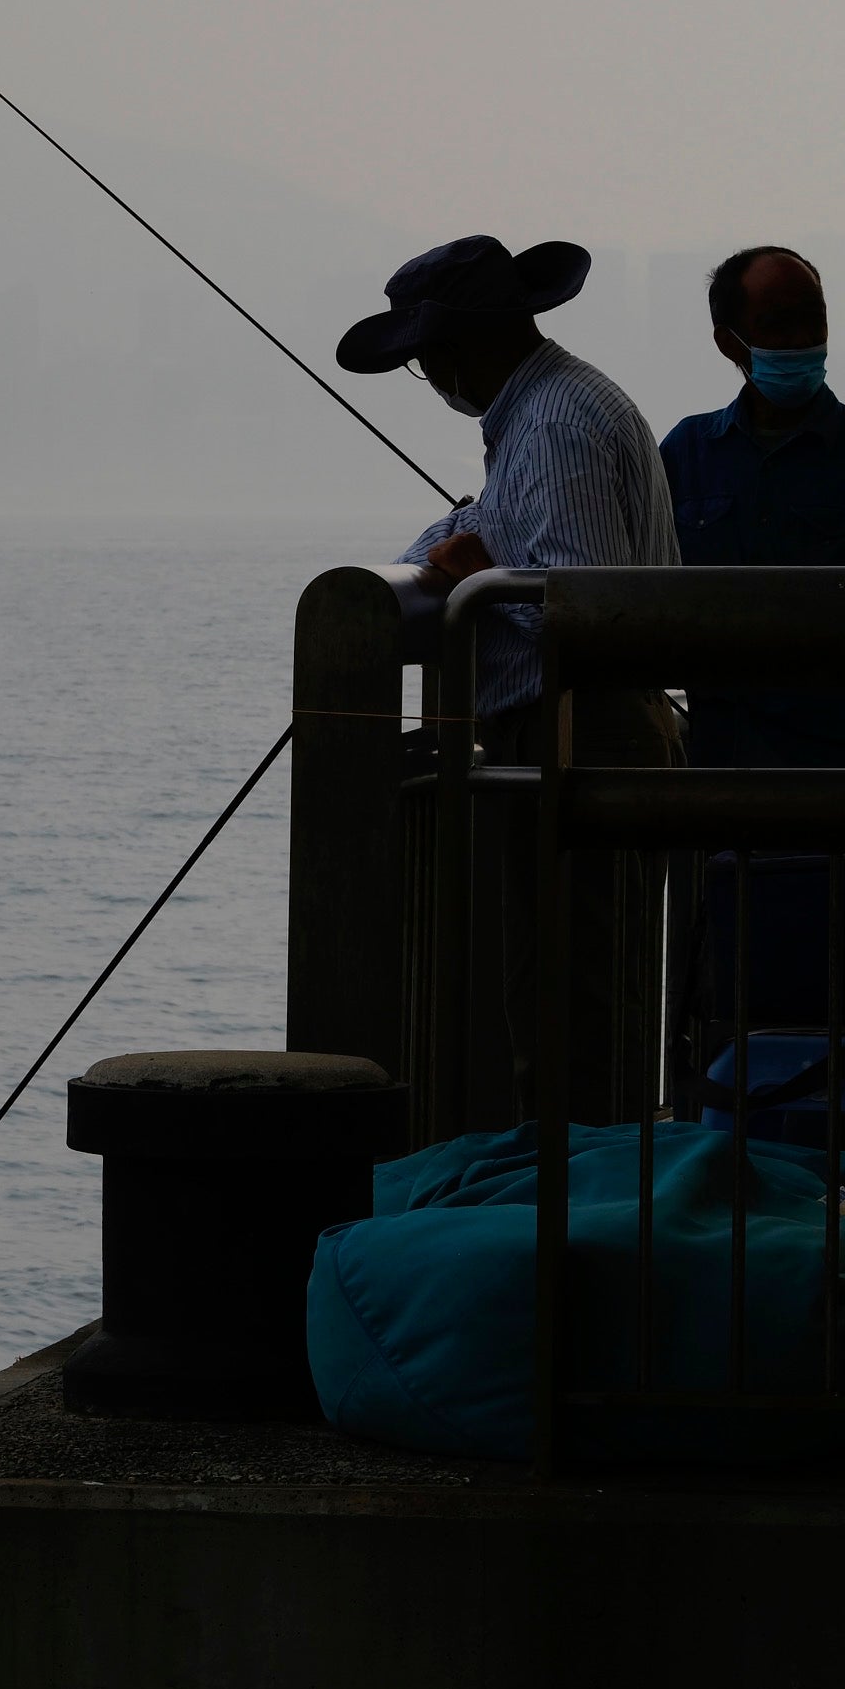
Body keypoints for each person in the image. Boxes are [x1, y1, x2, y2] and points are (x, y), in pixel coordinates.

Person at [336, 232, 679, 1115]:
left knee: (576, 1006)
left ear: (459, 347)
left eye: (427, 359)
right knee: (564, 992)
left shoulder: (557, 427)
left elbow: (588, 608)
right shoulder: (550, 411)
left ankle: (575, 1214)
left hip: (580, 732)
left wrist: (478, 584)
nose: (432, 378)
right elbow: (479, 531)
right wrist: (455, 560)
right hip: (585, 730)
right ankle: (575, 1193)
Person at [654, 245, 845, 1137]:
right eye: (779, 325)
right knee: (726, 1022)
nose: (800, 342)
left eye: (811, 321)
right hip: (723, 808)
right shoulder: (685, 456)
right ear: (729, 341)